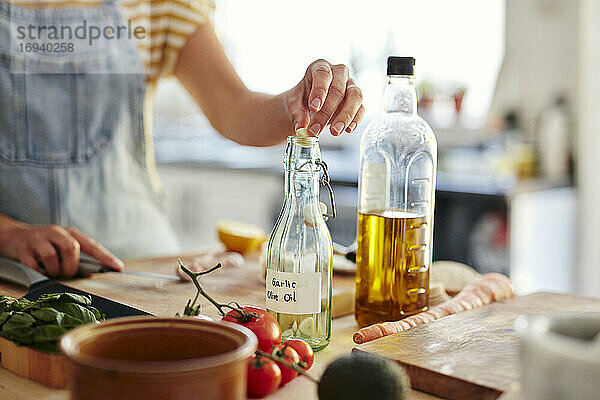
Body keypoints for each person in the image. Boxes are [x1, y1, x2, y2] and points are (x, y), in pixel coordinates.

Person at [0, 0, 364, 278]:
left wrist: (291, 104)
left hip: (138, 269)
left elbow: (235, 109)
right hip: (12, 277)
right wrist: (10, 235)